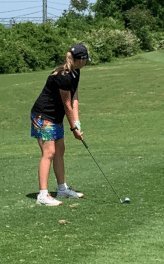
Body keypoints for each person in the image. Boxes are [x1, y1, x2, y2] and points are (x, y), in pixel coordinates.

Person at [30, 43, 90, 206]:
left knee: (60, 151)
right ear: (81, 59)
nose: (86, 63)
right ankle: (42, 194)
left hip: (55, 117)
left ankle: (62, 189)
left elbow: (75, 97)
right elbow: (66, 104)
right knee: (49, 152)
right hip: (43, 116)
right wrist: (73, 129)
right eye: (86, 60)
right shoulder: (63, 76)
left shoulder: (76, 72)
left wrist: (77, 123)